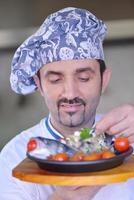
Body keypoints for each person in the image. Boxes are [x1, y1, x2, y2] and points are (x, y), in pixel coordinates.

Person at [0, 7, 134, 200]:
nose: (70, 93)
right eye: (55, 80)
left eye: (84, 78)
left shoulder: (126, 137)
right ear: (39, 85)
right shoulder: (13, 157)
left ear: (103, 81)